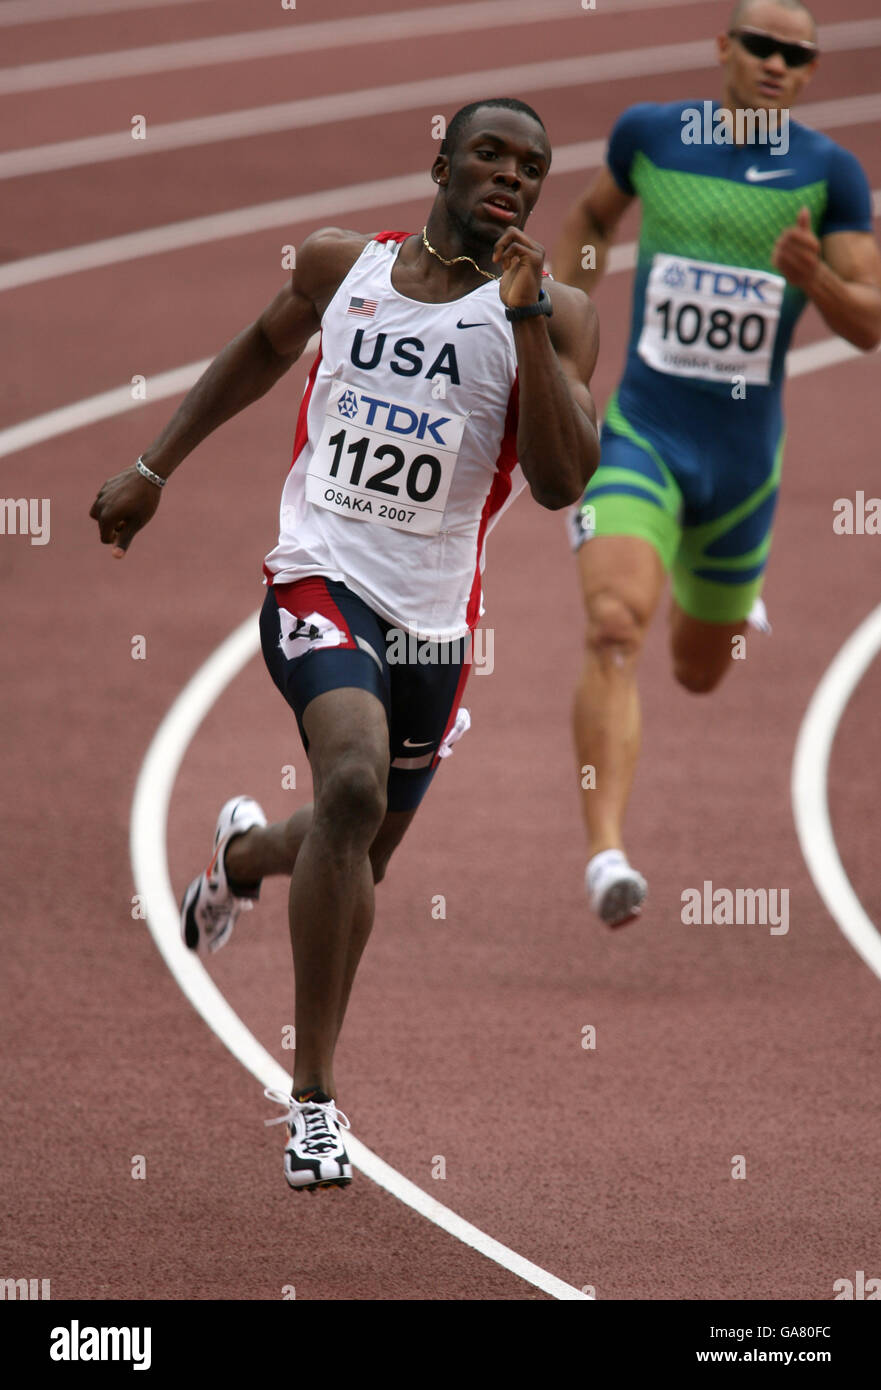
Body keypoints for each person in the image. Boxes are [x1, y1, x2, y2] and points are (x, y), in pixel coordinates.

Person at [91, 99, 600, 1190]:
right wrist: (153, 465)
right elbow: (261, 349)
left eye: (532, 166)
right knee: (354, 783)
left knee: (345, 847)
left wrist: (519, 317)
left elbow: (562, 481)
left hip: (433, 622)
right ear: (441, 162)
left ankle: (240, 858)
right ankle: (311, 1101)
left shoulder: (559, 316)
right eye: (489, 154)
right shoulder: (341, 265)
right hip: (317, 575)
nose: (510, 176)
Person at [553, 0, 881, 928]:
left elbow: (869, 321)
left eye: (798, 55)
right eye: (762, 45)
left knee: (699, 671)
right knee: (614, 624)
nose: (778, 63)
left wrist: (813, 277)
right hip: (643, 432)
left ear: (810, 72)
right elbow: (588, 216)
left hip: (740, 466)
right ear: (723, 49)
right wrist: (561, 340)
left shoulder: (829, 176)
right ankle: (605, 856)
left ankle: (735, 599)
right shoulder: (651, 136)